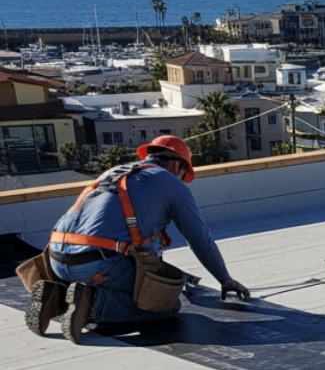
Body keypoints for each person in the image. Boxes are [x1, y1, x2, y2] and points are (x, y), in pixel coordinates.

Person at [29, 135, 249, 343]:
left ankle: (57, 292)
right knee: (166, 305)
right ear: (177, 165)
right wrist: (225, 279)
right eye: (184, 174)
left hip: (56, 260)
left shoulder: (115, 172)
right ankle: (93, 303)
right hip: (96, 262)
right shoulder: (171, 183)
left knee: (121, 272)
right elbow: (200, 240)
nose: (183, 181)